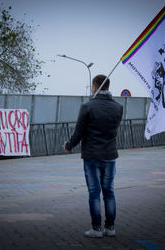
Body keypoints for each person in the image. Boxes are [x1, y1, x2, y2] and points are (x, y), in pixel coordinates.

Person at [63, 74, 123, 238]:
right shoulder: (118, 107)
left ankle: (96, 229)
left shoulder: (87, 107)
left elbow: (79, 133)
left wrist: (69, 146)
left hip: (91, 157)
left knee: (94, 193)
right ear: (108, 87)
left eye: (92, 86)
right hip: (110, 156)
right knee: (109, 192)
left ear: (95, 87)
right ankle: (110, 228)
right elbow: (113, 130)